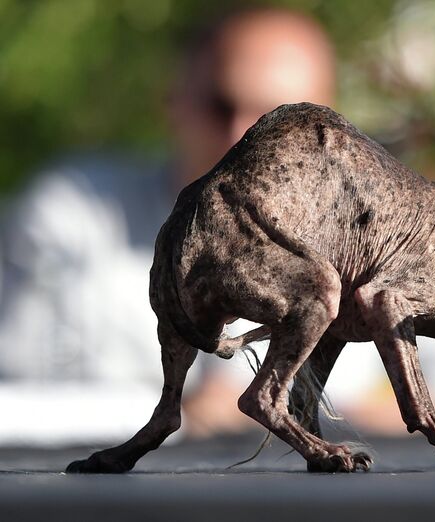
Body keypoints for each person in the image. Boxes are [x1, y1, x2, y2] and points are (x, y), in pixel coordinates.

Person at [0, 7, 337, 444]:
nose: (243, 134)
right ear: (174, 102)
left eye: (276, 119)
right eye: (221, 105)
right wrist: (190, 414)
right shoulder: (74, 214)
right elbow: (14, 398)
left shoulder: (371, 238)